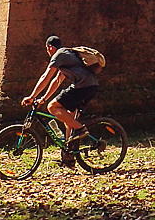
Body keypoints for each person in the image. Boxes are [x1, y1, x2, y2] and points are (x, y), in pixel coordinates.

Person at [21, 35, 98, 166]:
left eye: (47, 50)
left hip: (83, 87)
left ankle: (81, 129)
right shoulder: (67, 56)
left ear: (50, 47)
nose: (48, 53)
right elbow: (56, 81)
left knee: (52, 107)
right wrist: (43, 99)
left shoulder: (59, 55)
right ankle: (68, 157)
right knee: (69, 120)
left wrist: (32, 96)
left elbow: (46, 76)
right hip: (89, 86)